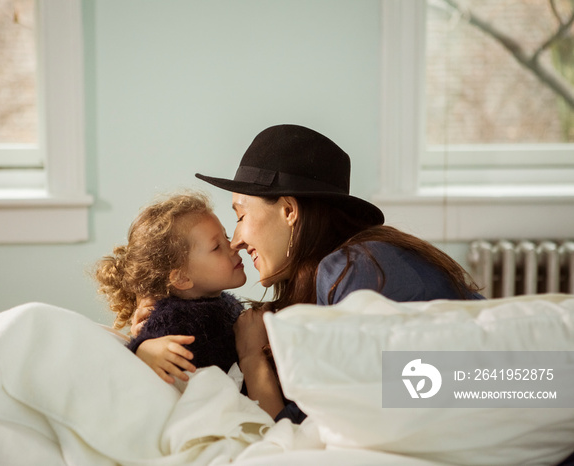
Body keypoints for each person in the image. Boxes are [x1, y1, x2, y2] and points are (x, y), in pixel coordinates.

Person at [134, 124, 483, 422]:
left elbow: (318, 421)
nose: (237, 241)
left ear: (288, 210)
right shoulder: (340, 271)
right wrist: (164, 316)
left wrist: (253, 357)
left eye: (240, 216)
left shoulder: (356, 269)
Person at [94, 192, 247, 384]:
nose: (233, 245)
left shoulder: (222, 302)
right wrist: (144, 349)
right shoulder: (173, 318)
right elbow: (143, 353)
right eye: (217, 247)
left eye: (226, 237)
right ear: (182, 278)